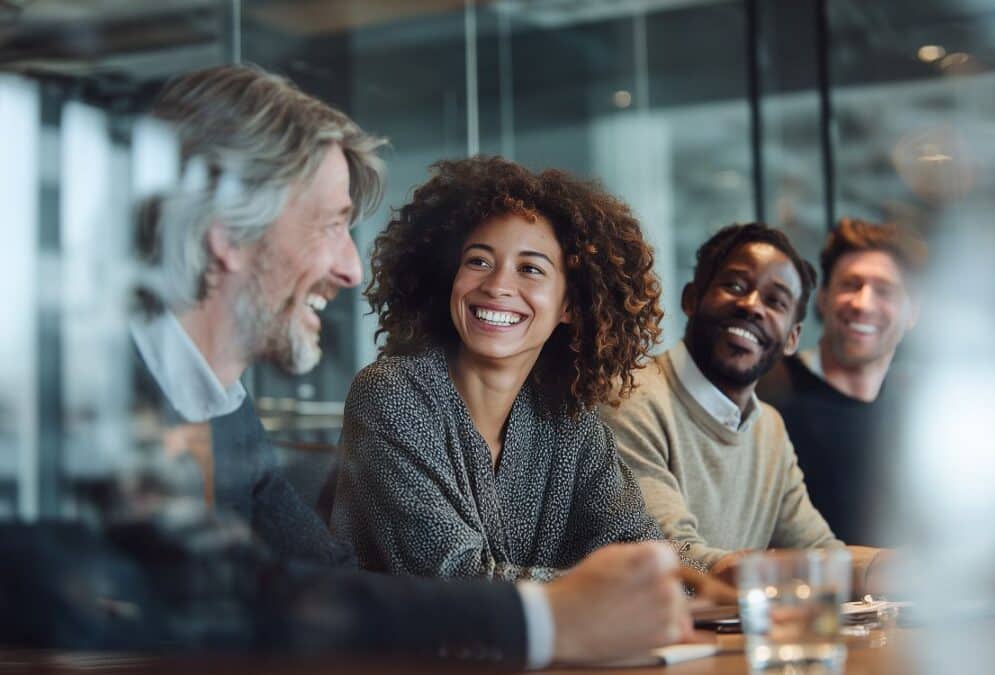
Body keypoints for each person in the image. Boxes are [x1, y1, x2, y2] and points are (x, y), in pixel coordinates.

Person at [2, 65, 695, 668]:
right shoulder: (71, 391)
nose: (349, 266)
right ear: (226, 232)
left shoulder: (221, 406)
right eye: (328, 224)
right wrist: (548, 619)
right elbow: (225, 594)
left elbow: (320, 580)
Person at [332, 156, 674, 581]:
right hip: (389, 648)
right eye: (478, 261)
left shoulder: (571, 424)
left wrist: (709, 579)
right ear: (449, 278)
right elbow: (452, 578)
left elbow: (639, 549)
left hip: (541, 645)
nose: (496, 286)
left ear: (570, 305)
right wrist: (614, 586)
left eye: (530, 269)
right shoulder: (390, 395)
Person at [604, 223, 889, 596]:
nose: (752, 306)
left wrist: (894, 568)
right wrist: (805, 571)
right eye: (735, 286)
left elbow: (821, 551)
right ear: (691, 299)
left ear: (792, 338)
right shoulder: (630, 397)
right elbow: (671, 557)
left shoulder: (768, 428)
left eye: (776, 302)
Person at [757, 218, 926, 544]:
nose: (863, 304)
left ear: (912, 311)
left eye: (884, 290)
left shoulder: (922, 416)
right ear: (822, 297)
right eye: (851, 284)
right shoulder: (766, 395)